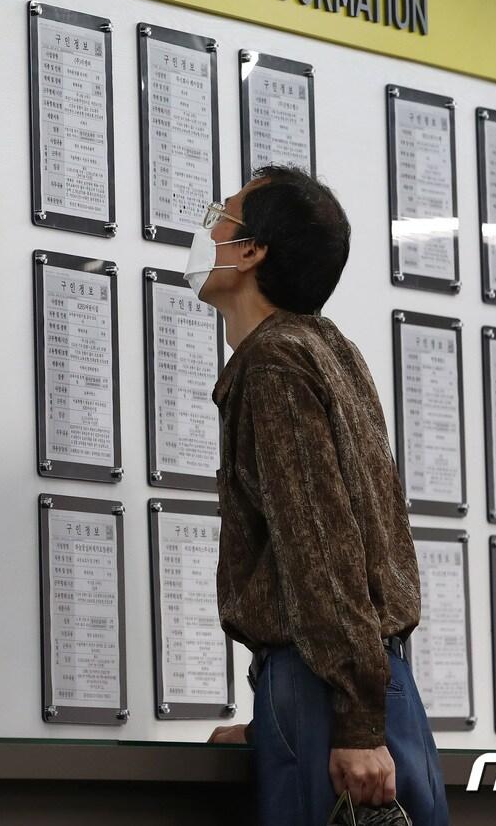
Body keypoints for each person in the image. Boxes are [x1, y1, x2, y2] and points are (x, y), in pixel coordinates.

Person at [191, 166, 447, 825]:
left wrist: (351, 724)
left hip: (328, 692)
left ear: (250, 251)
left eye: (220, 216)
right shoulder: (329, 348)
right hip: (359, 685)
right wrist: (270, 723)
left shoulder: (273, 362)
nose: (207, 228)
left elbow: (318, 545)